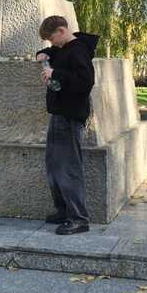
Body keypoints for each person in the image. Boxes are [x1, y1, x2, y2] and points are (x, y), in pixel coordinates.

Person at [37, 15, 99, 235]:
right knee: (54, 166)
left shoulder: (79, 50)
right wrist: (43, 55)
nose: (51, 44)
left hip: (71, 116)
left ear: (62, 31)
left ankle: (78, 218)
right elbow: (56, 53)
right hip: (59, 114)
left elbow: (85, 82)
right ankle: (63, 211)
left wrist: (56, 74)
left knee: (69, 168)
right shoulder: (63, 48)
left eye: (52, 39)